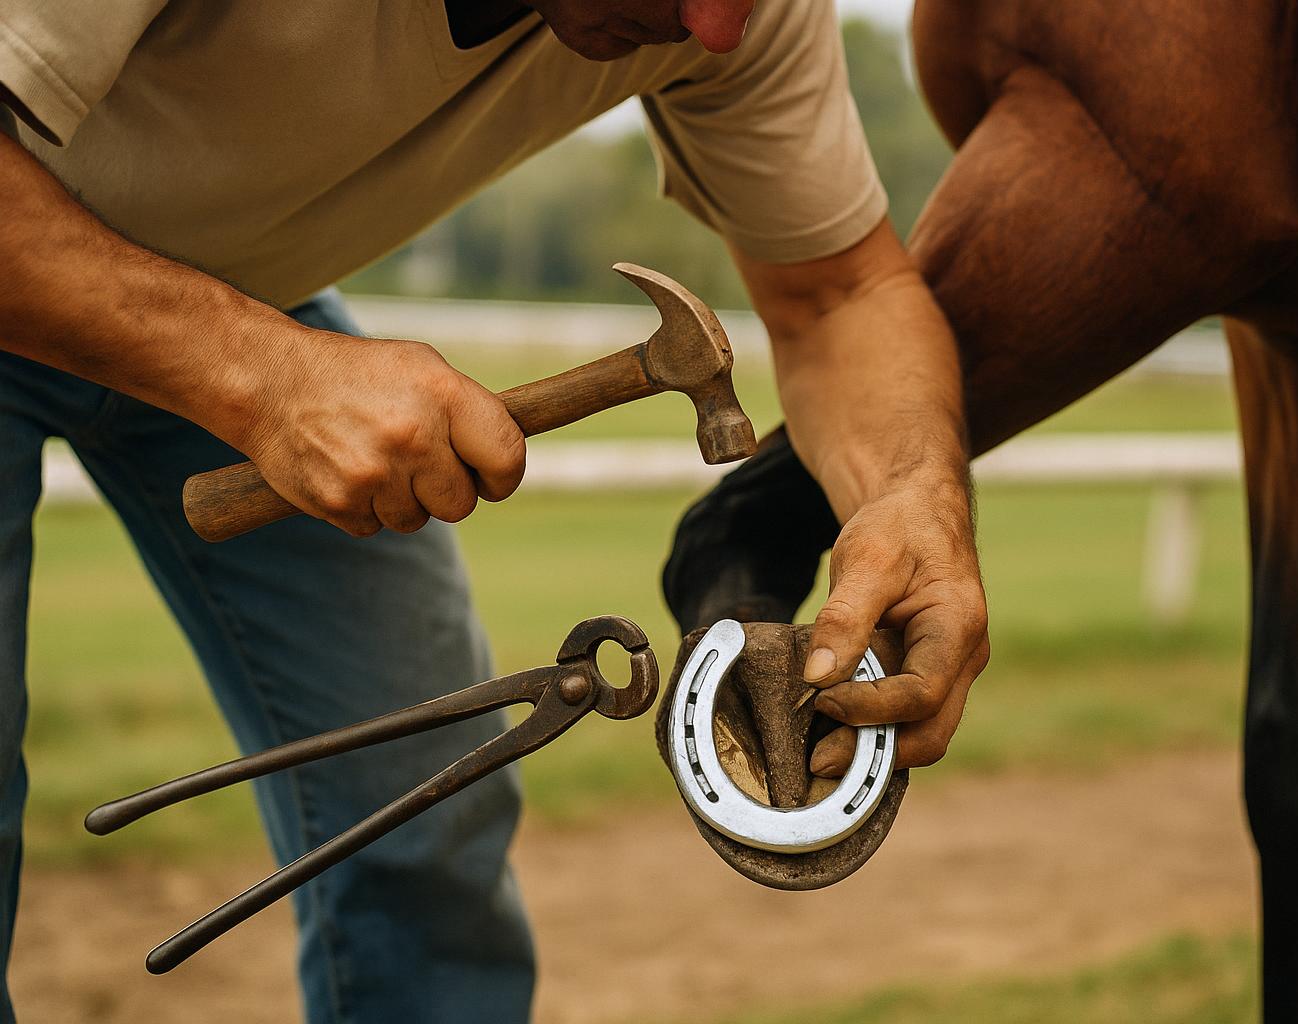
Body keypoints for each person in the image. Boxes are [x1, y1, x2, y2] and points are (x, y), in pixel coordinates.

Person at [0, 2, 988, 1020]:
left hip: (247, 295)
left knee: (427, 814)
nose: (720, 32)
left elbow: (838, 297)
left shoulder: (732, 13)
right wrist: (256, 375)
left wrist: (916, 497)